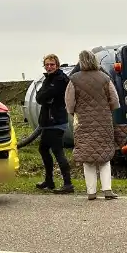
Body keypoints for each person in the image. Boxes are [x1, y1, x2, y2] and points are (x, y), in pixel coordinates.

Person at [65, 50, 121, 200]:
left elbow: (69, 103)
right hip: (104, 121)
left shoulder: (74, 79)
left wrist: (75, 113)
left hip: (83, 122)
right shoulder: (104, 78)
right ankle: (107, 190)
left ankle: (91, 192)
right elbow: (115, 100)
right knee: (104, 157)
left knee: (88, 158)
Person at [34, 54, 74, 193]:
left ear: (57, 65)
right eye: (47, 64)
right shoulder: (48, 79)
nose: (49, 67)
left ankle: (68, 183)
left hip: (56, 121)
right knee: (43, 149)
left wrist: (45, 97)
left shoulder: (60, 79)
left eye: (52, 64)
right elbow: (39, 97)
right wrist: (45, 97)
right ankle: (49, 180)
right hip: (48, 122)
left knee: (58, 151)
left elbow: (44, 96)